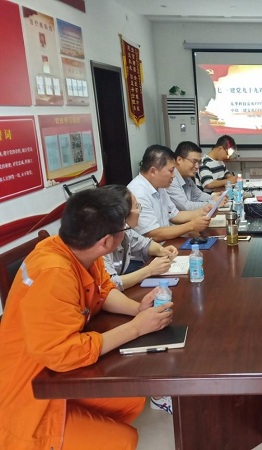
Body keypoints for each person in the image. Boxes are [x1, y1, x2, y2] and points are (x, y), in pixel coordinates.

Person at [0, 188, 174, 450]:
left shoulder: (78, 250)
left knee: (131, 400)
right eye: (124, 229)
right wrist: (136, 328)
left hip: (55, 372)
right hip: (30, 391)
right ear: (106, 241)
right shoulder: (54, 272)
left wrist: (138, 310)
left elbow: (103, 290)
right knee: (123, 441)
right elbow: (63, 353)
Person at [102, 185, 178, 291]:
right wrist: (149, 270)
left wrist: (162, 250)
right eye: (137, 206)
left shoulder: (125, 230)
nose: (139, 211)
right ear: (124, 214)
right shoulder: (100, 243)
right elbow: (109, 284)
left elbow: (145, 244)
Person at [127, 145, 211, 241]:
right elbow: (153, 234)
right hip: (152, 248)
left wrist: (202, 212)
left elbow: (175, 215)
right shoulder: (138, 193)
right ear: (153, 171)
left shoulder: (159, 186)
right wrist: (191, 226)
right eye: (171, 171)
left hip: (165, 244)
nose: (174, 175)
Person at [167, 141, 226, 210]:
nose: (197, 166)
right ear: (179, 160)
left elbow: (198, 195)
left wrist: (214, 197)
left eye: (199, 162)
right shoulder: (171, 179)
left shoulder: (187, 177)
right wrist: (214, 203)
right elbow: (185, 206)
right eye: (194, 162)